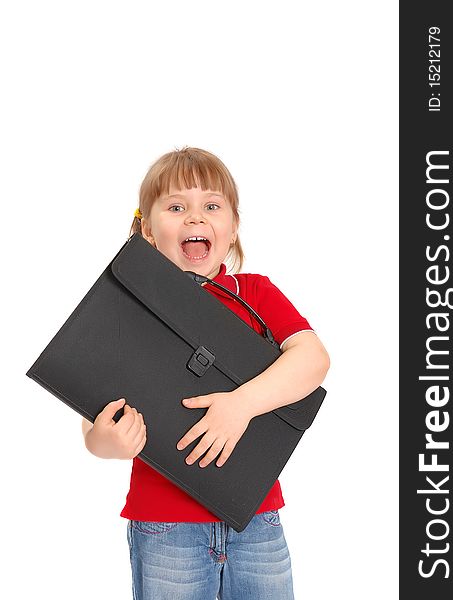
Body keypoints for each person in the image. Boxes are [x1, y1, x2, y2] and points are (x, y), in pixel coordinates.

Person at [82, 146, 330, 600]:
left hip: (256, 516)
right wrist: (109, 442)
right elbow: (93, 426)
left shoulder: (254, 293)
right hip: (165, 526)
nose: (195, 218)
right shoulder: (127, 310)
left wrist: (241, 405)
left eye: (211, 206)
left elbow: (313, 360)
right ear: (147, 231)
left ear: (233, 227)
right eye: (176, 207)